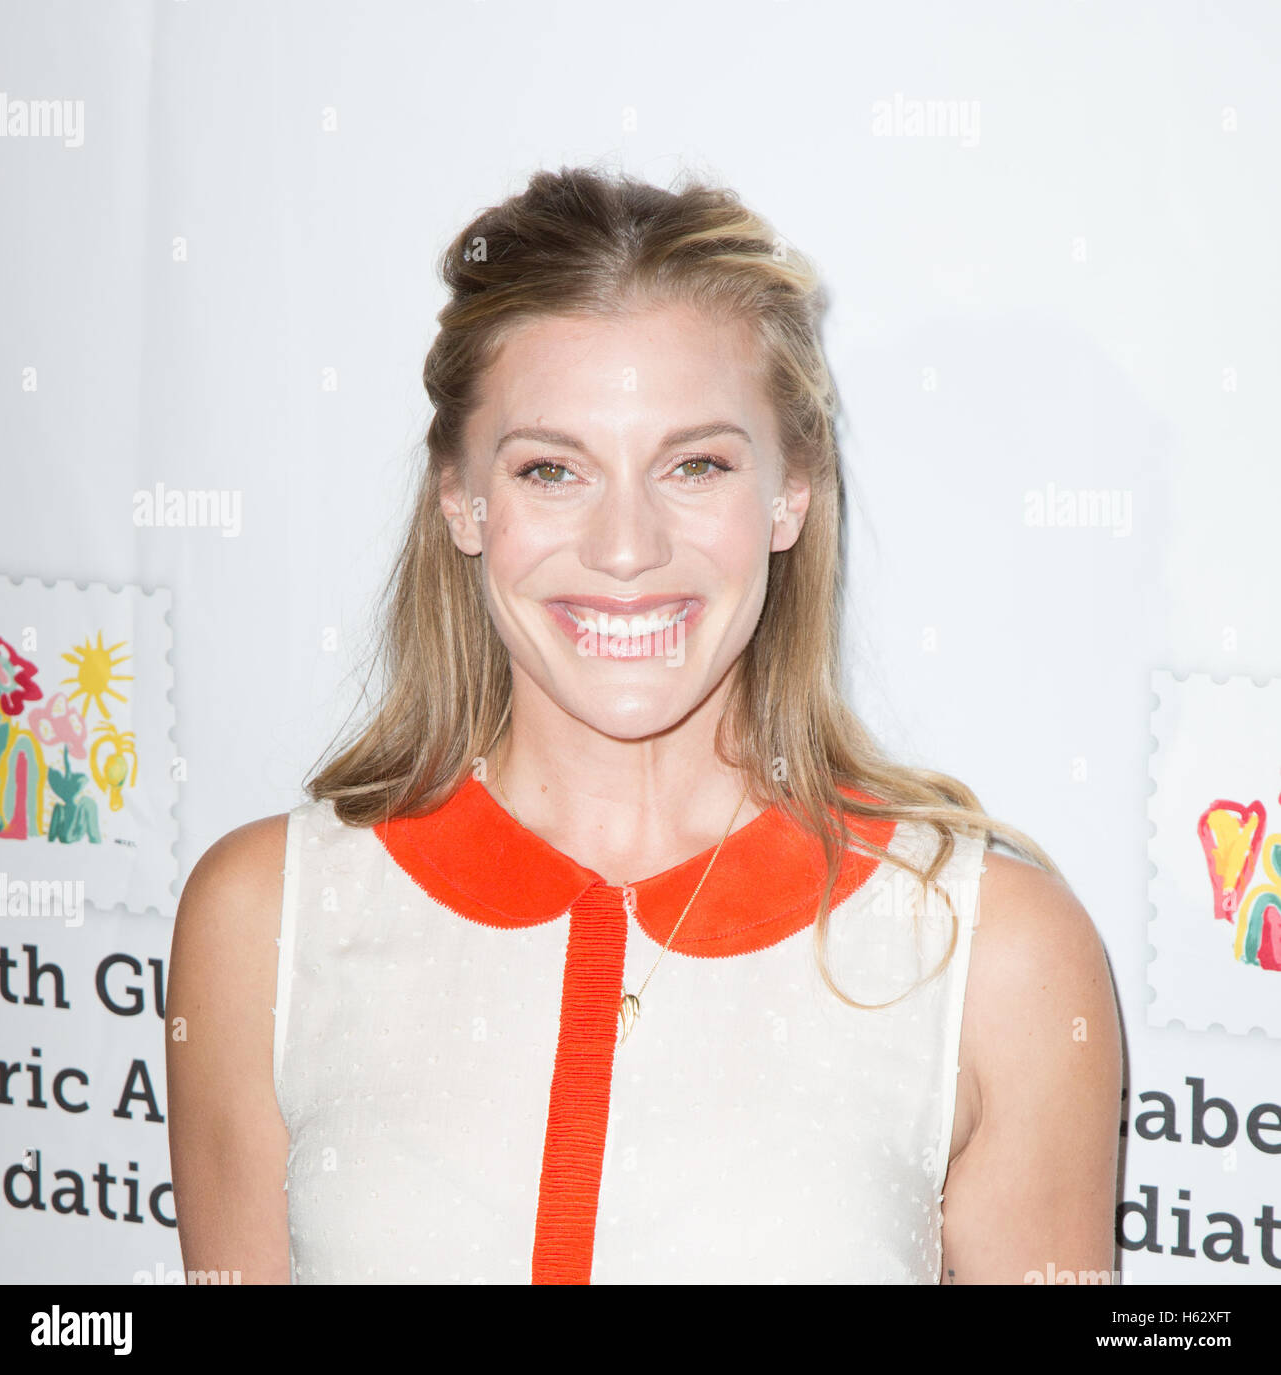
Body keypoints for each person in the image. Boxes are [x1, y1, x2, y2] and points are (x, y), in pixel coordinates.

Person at [165, 165, 1122, 1285]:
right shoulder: (261, 922)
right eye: (552, 469)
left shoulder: (992, 954)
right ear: (462, 500)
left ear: (790, 496)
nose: (626, 547)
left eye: (696, 464)